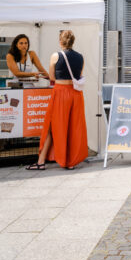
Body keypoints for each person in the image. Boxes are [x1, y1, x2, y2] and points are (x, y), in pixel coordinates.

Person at [26, 30, 88, 170]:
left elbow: (52, 77)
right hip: (75, 94)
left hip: (60, 93)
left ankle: (41, 161)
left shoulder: (56, 55)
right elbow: (79, 75)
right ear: (73, 42)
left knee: (51, 126)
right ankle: (70, 161)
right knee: (72, 126)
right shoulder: (81, 57)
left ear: (60, 41)